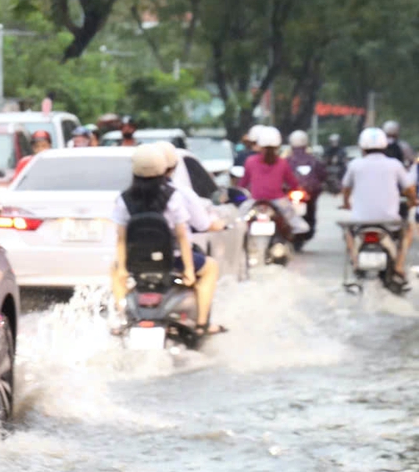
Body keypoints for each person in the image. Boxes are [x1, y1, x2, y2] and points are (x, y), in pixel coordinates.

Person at [111, 143, 221, 334]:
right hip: (173, 261)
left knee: (114, 272)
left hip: (136, 262)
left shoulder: (124, 199)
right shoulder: (173, 197)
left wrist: (121, 269)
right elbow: (182, 237)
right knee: (211, 267)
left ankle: (121, 318)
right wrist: (188, 270)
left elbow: (120, 239)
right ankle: (202, 324)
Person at [339, 126, 414, 283]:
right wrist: (412, 201)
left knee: (347, 233)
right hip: (389, 222)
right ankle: (399, 266)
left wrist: (346, 203)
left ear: (362, 147)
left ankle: (355, 262)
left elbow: (345, 189)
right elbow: (409, 189)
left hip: (361, 222)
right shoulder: (395, 165)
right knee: (409, 229)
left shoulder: (355, 165)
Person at [241, 124, 298, 248]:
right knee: (296, 224)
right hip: (278, 201)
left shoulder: (250, 161)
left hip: (255, 201)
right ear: (278, 145)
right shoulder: (282, 163)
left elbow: (243, 183)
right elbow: (293, 183)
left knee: (239, 222)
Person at [284, 130, 327, 245]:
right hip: (308, 193)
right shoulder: (313, 159)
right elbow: (322, 175)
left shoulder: (286, 160)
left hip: (296, 192)